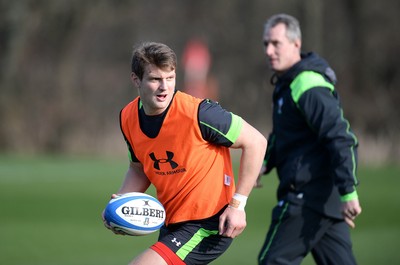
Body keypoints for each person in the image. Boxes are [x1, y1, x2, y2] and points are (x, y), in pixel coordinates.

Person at [102, 42, 267, 265]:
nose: (164, 87)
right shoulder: (128, 117)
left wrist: (237, 206)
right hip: (172, 222)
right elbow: (139, 168)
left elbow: (256, 142)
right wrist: (120, 203)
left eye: (170, 78)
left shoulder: (200, 113)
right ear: (136, 79)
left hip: (210, 223)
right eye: (155, 79)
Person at [256, 14, 362, 265]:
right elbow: (284, 132)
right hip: (324, 201)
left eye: (275, 43)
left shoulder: (307, 84)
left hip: (306, 196)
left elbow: (340, 137)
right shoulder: (287, 83)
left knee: (272, 261)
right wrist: (264, 161)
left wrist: (348, 192)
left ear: (296, 43)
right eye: (265, 44)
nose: (269, 51)